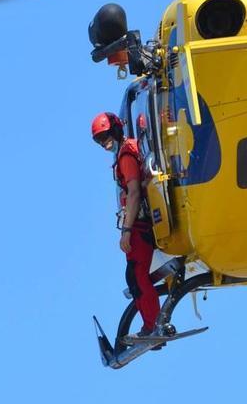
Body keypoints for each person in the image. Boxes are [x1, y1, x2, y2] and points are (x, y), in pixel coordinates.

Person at [91, 112, 161, 337]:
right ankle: (151, 325)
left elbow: (133, 192)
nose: (105, 145)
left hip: (138, 225)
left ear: (116, 131)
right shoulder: (129, 150)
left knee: (138, 276)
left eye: (106, 138)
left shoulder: (126, 156)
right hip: (139, 223)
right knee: (134, 277)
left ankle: (153, 326)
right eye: (100, 141)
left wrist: (127, 231)